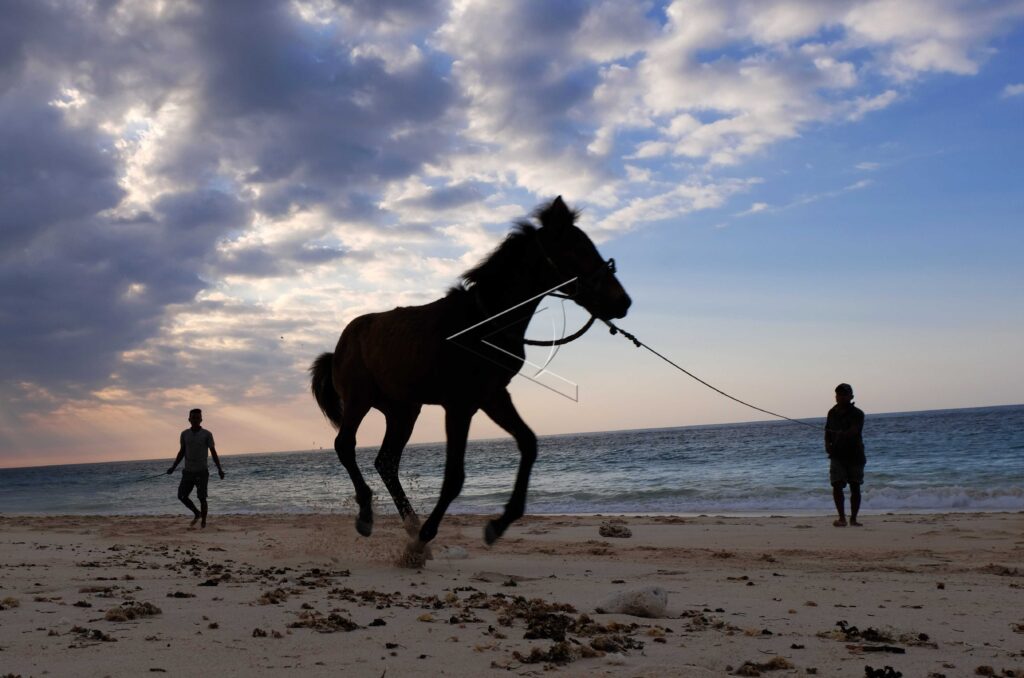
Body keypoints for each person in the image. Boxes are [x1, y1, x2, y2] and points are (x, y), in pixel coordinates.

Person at [167, 408, 225, 528]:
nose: (195, 420)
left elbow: (213, 452)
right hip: (187, 472)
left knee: (202, 498)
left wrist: (219, 469)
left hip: (202, 472)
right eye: (193, 417)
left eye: (197, 418)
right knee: (181, 496)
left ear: (201, 419)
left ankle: (203, 522)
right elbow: (182, 452)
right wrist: (173, 467)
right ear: (189, 419)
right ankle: (196, 513)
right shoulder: (184, 434)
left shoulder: (207, 434)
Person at [825, 383, 865, 527]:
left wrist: (842, 434)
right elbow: (827, 431)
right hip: (837, 455)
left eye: (844, 395)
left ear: (851, 397)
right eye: (838, 394)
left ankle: (853, 519)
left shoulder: (858, 413)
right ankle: (842, 518)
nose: (840, 397)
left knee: (855, 486)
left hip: (855, 455)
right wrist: (827, 446)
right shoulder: (832, 412)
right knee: (836, 485)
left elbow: (855, 431)